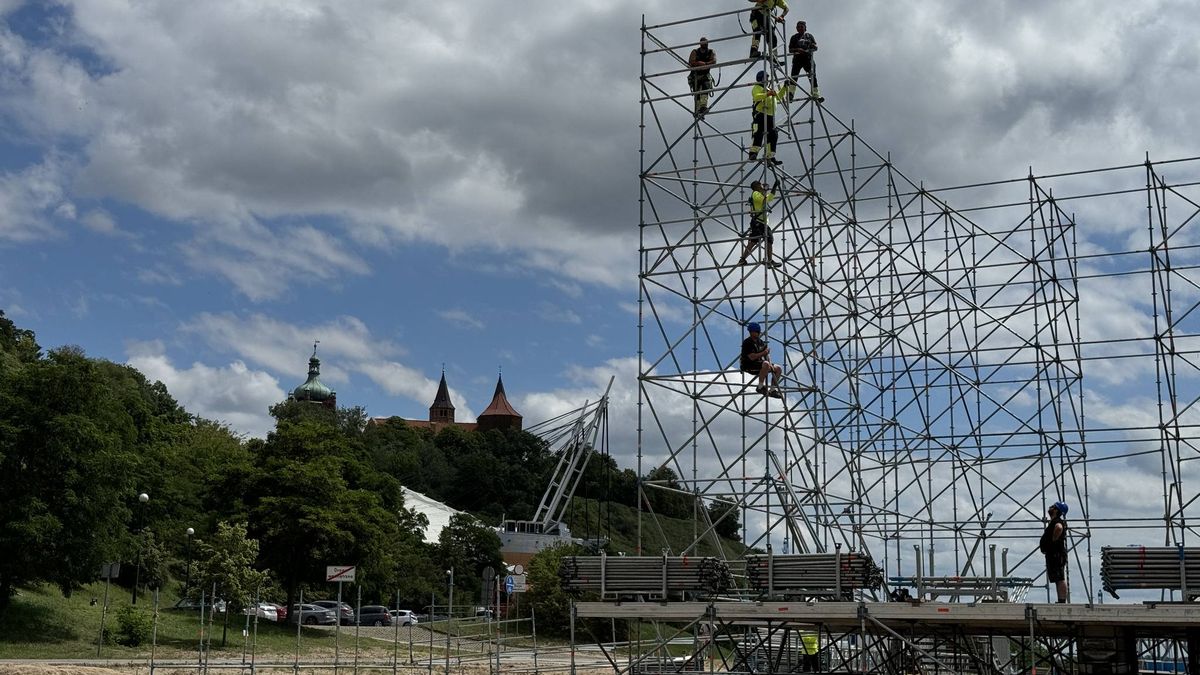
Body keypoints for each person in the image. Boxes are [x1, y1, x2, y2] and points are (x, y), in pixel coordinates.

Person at [738, 179, 780, 267]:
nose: (762, 186)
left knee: (754, 241)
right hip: (759, 222)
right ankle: (769, 261)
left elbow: (769, 198)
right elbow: (764, 200)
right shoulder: (755, 194)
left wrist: (774, 188)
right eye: (760, 185)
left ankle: (742, 259)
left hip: (761, 222)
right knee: (767, 239)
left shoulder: (759, 194)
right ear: (756, 186)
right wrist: (767, 190)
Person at [749, 71, 784, 163]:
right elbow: (756, 97)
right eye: (765, 78)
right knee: (758, 133)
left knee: (773, 135)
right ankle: (753, 153)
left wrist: (785, 87)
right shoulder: (757, 87)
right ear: (760, 78)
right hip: (760, 113)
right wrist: (767, 94)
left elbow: (778, 97)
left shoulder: (768, 89)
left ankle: (770, 155)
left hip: (770, 115)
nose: (767, 80)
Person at [741, 322, 783, 398]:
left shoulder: (760, 342)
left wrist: (770, 364)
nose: (758, 333)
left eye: (758, 331)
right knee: (766, 364)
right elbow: (752, 357)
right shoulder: (747, 342)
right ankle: (760, 387)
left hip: (760, 364)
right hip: (748, 365)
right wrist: (764, 353)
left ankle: (772, 390)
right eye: (756, 332)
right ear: (751, 332)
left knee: (778, 368)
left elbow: (767, 354)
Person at [1039, 501, 1069, 602]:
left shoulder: (1057, 521)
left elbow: (1059, 528)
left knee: (1059, 577)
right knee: (1057, 578)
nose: (1050, 507)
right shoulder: (1054, 521)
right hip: (1053, 554)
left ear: (1056, 510)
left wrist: (1053, 540)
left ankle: (1062, 600)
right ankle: (1060, 600)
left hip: (1057, 554)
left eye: (1053, 507)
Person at [787, 21, 823, 103]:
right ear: (796, 28)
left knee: (812, 76)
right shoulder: (794, 37)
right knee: (794, 77)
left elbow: (816, 47)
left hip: (808, 59)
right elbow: (790, 49)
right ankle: (790, 94)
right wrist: (797, 49)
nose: (800, 28)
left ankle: (816, 94)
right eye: (798, 27)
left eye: (801, 27)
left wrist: (812, 46)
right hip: (797, 60)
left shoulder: (809, 36)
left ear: (805, 28)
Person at [688, 38, 717, 119]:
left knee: (705, 88)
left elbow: (714, 61)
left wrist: (705, 64)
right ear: (700, 44)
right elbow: (691, 62)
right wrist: (698, 64)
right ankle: (697, 110)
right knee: (697, 93)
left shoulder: (710, 52)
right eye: (704, 43)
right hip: (695, 76)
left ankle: (703, 107)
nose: (705, 44)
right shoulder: (695, 52)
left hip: (705, 75)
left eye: (706, 43)